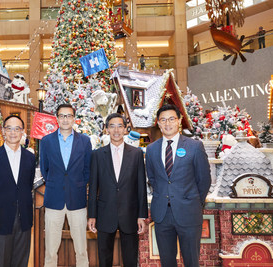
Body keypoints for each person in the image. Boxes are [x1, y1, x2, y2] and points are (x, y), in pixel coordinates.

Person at [145, 104, 211, 267]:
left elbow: (204, 179)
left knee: (191, 261)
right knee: (167, 262)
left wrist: (195, 202)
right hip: (162, 214)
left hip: (188, 212)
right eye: (163, 120)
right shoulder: (151, 149)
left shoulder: (194, 146)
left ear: (179, 121)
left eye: (172, 119)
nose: (167, 123)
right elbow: (152, 179)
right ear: (158, 123)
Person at [88, 113, 147, 267]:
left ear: (125, 129)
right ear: (106, 129)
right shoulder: (97, 155)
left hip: (130, 214)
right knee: (104, 259)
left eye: (120, 126)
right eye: (112, 126)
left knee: (130, 259)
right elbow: (93, 187)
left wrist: (141, 215)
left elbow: (141, 186)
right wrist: (92, 215)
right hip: (105, 214)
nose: (116, 130)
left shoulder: (136, 154)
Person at [0, 115, 36, 267]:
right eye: (9, 128)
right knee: (1, 262)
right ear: (3, 131)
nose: (13, 132)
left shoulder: (30, 158)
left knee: (20, 263)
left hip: (23, 220)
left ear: (22, 132)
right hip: (0, 219)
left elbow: (28, 185)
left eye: (17, 129)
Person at [40, 103, 92, 267]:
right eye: (62, 116)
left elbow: (87, 169)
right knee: (50, 250)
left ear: (74, 118)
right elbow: (44, 168)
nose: (65, 119)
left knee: (81, 249)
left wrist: (78, 185)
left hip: (77, 200)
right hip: (54, 200)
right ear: (57, 118)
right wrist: (56, 185)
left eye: (69, 115)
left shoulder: (84, 141)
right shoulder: (46, 141)